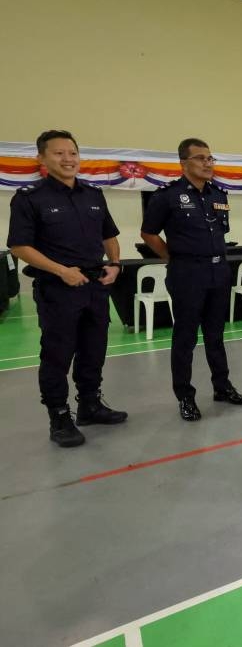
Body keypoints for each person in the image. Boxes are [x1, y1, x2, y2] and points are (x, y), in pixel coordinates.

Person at [6, 130, 127, 447]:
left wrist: (114, 264)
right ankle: (59, 417)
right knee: (57, 355)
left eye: (72, 152)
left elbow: (109, 235)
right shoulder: (30, 198)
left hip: (95, 286)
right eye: (59, 153)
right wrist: (62, 271)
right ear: (42, 158)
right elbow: (19, 246)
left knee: (93, 349)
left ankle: (90, 404)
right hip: (58, 289)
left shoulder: (93, 194)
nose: (68, 159)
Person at [140, 138, 242, 422]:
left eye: (210, 158)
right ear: (183, 163)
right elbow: (149, 233)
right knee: (185, 338)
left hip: (218, 271)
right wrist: (172, 258)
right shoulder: (167, 196)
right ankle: (185, 396)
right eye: (200, 158)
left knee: (216, 335)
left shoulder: (218, 195)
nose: (207, 163)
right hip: (187, 273)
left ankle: (222, 386)